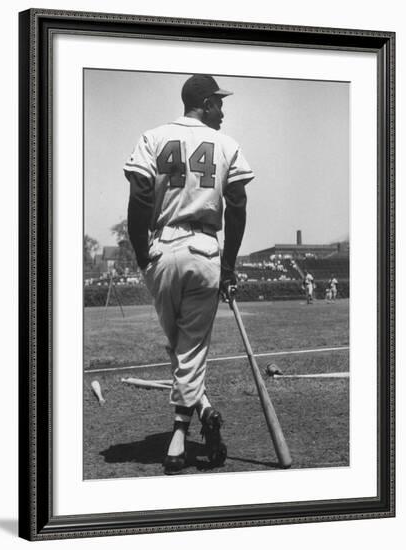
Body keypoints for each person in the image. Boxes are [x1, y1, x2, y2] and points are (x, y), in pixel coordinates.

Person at [124, 74, 254, 474]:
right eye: (218, 102)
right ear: (204, 103)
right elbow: (237, 206)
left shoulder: (153, 137)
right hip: (204, 250)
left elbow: (141, 197)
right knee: (189, 349)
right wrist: (229, 266)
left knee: (179, 348)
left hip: (162, 248)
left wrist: (143, 254)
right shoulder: (228, 145)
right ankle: (182, 434)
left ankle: (202, 413)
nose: (223, 110)